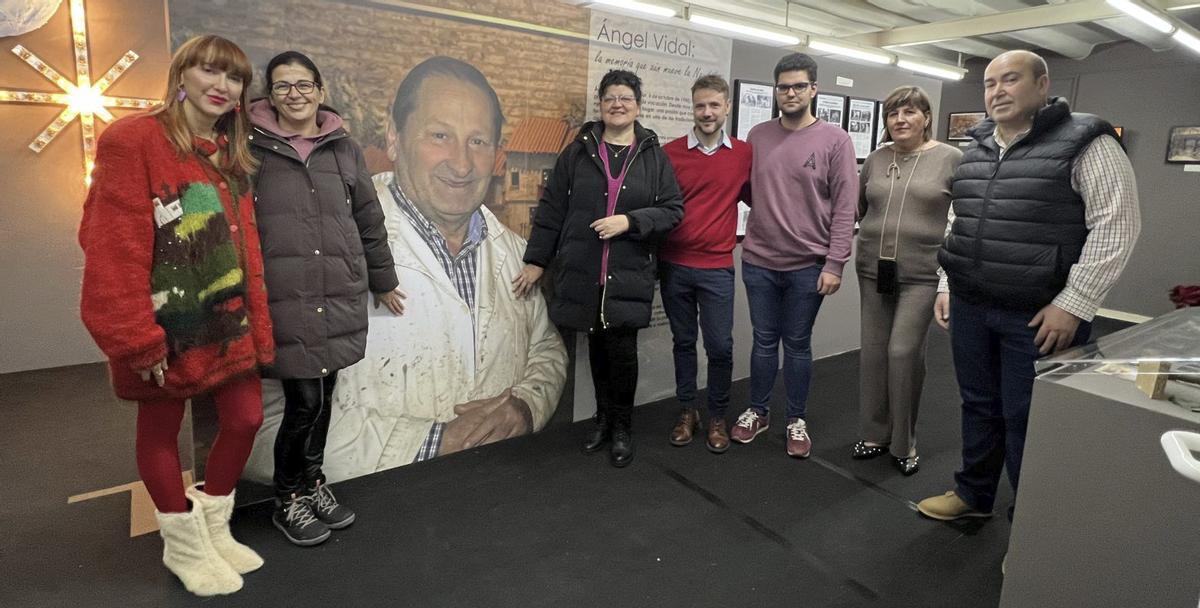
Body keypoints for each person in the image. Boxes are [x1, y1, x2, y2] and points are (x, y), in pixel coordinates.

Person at [252, 56, 567, 480]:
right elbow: (263, 418)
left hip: (501, 488)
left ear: (498, 155)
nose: (461, 163)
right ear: (395, 138)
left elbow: (545, 350)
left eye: (478, 141)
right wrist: (428, 443)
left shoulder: (515, 252)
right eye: (440, 135)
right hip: (376, 512)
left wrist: (526, 404)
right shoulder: (323, 247)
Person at [78, 35, 273, 596]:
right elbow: (111, 246)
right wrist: (136, 338)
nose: (221, 86)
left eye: (234, 78)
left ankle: (214, 528)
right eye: (209, 71)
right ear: (180, 75)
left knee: (244, 418)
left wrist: (256, 324)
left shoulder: (228, 154)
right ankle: (184, 545)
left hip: (226, 319)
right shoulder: (132, 140)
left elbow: (243, 250)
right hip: (163, 324)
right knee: (160, 429)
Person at [917, 51, 1140, 529]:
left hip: (1039, 316)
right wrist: (947, 284)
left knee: (1029, 420)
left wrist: (1073, 304)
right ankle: (973, 493)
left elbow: (1116, 227)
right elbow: (962, 221)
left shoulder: (1087, 142)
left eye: (1010, 79)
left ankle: (1032, 528)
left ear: (1042, 85)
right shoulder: (976, 147)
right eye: (989, 83)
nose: (997, 91)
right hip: (973, 306)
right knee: (978, 405)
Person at [248, 51, 404, 546]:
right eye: (282, 86)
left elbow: (368, 217)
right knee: (303, 402)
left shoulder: (343, 147)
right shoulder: (249, 148)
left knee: (327, 396)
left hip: (337, 290)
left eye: (303, 85)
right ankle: (287, 497)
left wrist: (382, 278)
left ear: (320, 89)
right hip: (285, 295)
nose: (294, 94)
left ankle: (313, 483)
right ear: (269, 95)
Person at [514, 69, 684, 468]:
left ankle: (623, 427)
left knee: (622, 352)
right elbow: (553, 208)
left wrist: (630, 221)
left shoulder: (654, 157)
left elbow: (673, 210)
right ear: (601, 104)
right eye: (610, 97)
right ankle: (603, 420)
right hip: (585, 271)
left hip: (628, 272)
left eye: (625, 97)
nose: (617, 104)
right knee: (596, 348)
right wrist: (538, 261)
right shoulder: (577, 153)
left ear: (638, 106)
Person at [730, 53, 857, 458]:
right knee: (764, 342)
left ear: (813, 90)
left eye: (799, 86)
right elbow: (750, 190)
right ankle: (759, 410)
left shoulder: (835, 140)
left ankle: (796, 419)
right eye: (783, 86)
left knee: (797, 344)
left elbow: (845, 207)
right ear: (775, 91)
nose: (790, 93)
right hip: (759, 261)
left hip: (809, 266)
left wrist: (835, 263)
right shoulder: (758, 135)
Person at [852, 86, 962, 476]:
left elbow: (960, 224)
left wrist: (947, 282)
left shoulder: (951, 159)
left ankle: (904, 441)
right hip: (871, 271)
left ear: (926, 117)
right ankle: (874, 434)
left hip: (922, 275)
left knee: (902, 353)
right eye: (893, 114)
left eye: (909, 112)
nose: (900, 120)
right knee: (874, 353)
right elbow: (860, 209)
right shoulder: (877, 159)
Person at [659, 74, 752, 454]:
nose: (707, 112)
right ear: (692, 107)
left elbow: (760, 199)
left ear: (727, 107)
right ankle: (687, 411)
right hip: (674, 265)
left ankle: (716, 415)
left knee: (720, 347)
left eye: (715, 105)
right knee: (683, 342)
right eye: (700, 105)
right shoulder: (670, 153)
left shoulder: (744, 154)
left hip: (717, 268)